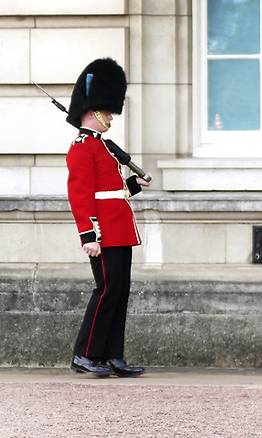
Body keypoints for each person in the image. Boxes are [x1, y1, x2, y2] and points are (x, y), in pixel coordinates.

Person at [65, 58, 150, 377]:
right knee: (106, 291)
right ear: (93, 110)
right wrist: (88, 235)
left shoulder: (101, 147)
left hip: (119, 228)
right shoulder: (82, 147)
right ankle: (85, 354)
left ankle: (112, 355)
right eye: (108, 112)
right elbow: (81, 195)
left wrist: (133, 185)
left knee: (119, 291)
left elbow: (111, 192)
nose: (111, 117)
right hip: (102, 233)